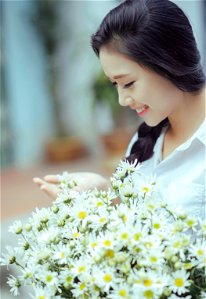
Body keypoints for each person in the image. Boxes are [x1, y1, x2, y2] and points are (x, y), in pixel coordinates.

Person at [33, 0, 205, 218]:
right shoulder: (145, 140)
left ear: (171, 61)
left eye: (129, 83)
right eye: (115, 84)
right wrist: (107, 192)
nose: (122, 100)